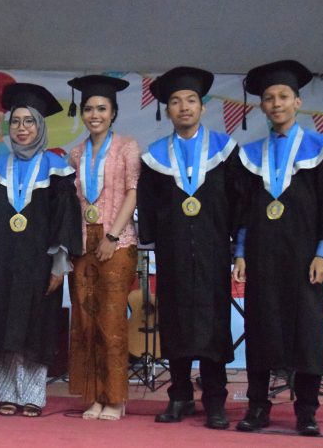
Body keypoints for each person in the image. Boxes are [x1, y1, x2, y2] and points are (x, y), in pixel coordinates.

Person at [232, 60, 323, 436]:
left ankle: (306, 411)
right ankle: (257, 407)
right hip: (262, 256)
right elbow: (243, 211)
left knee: (308, 331)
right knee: (260, 327)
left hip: (306, 258)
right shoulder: (250, 156)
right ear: (262, 106)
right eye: (269, 98)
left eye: (283, 96)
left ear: (297, 102)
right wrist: (240, 253)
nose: (276, 103)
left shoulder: (322, 151)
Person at [136, 66, 240, 430]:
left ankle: (215, 400)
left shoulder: (225, 151)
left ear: (202, 107)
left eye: (191, 100)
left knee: (214, 325)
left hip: (213, 251)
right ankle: (179, 396)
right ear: (167, 110)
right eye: (176, 101)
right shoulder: (155, 157)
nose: (184, 107)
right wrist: (156, 240)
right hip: (173, 253)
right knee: (175, 323)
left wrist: (237, 245)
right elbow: (148, 205)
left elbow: (238, 201)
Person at [0, 83, 82, 417]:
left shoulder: (58, 169)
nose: (22, 128)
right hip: (3, 259)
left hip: (40, 262)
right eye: (15, 122)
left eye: (29, 122)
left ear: (40, 126)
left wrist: (59, 264)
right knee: (4, 320)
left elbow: (64, 220)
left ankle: (33, 396)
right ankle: (6, 393)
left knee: (36, 323)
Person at [65, 75, 140, 421]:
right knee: (86, 323)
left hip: (117, 241)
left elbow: (132, 193)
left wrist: (112, 236)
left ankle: (115, 397)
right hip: (83, 243)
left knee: (111, 322)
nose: (94, 115)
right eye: (89, 109)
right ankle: (94, 396)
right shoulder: (76, 154)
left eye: (102, 109)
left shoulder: (126, 147)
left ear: (113, 113)